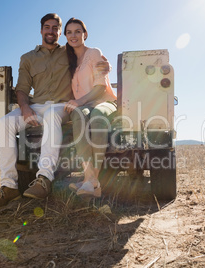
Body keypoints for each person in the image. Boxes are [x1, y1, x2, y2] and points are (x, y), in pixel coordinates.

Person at [0, 14, 110, 213]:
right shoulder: (27, 58)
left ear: (60, 32)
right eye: (47, 27)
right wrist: (25, 109)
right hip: (35, 106)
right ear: (41, 30)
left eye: (55, 28)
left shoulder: (69, 51)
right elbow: (22, 89)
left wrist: (105, 66)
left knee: (52, 113)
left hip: (62, 106)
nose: (51, 31)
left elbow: (89, 59)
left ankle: (44, 179)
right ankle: (8, 186)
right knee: (4, 122)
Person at [63, 18, 117, 198]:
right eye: (69, 32)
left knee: (98, 115)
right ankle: (90, 180)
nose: (73, 35)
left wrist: (79, 101)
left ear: (85, 34)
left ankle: (92, 180)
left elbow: (100, 86)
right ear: (66, 36)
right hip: (84, 105)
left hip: (104, 101)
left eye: (77, 31)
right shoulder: (68, 59)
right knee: (78, 114)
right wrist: (78, 103)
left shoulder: (94, 53)